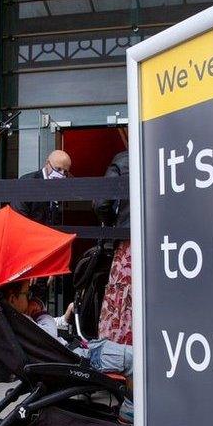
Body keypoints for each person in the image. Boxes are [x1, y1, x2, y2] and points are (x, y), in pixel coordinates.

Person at [2, 281, 134, 422]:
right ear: (12, 299)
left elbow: (46, 328)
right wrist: (41, 312)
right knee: (135, 358)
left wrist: (64, 317)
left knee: (121, 351)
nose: (30, 299)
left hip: (75, 353)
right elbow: (48, 336)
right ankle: (130, 411)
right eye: (27, 294)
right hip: (80, 359)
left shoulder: (13, 323)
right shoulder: (22, 324)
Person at [94, 146, 132, 346]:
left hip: (127, 243)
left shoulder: (122, 159)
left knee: (122, 298)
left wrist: (112, 224)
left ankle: (119, 353)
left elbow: (102, 203)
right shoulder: (162, 154)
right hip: (161, 244)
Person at [11, 149, 72, 226]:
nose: (61, 174)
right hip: (31, 233)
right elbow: (18, 214)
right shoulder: (28, 182)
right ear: (47, 163)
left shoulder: (64, 185)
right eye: (58, 169)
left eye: (65, 171)